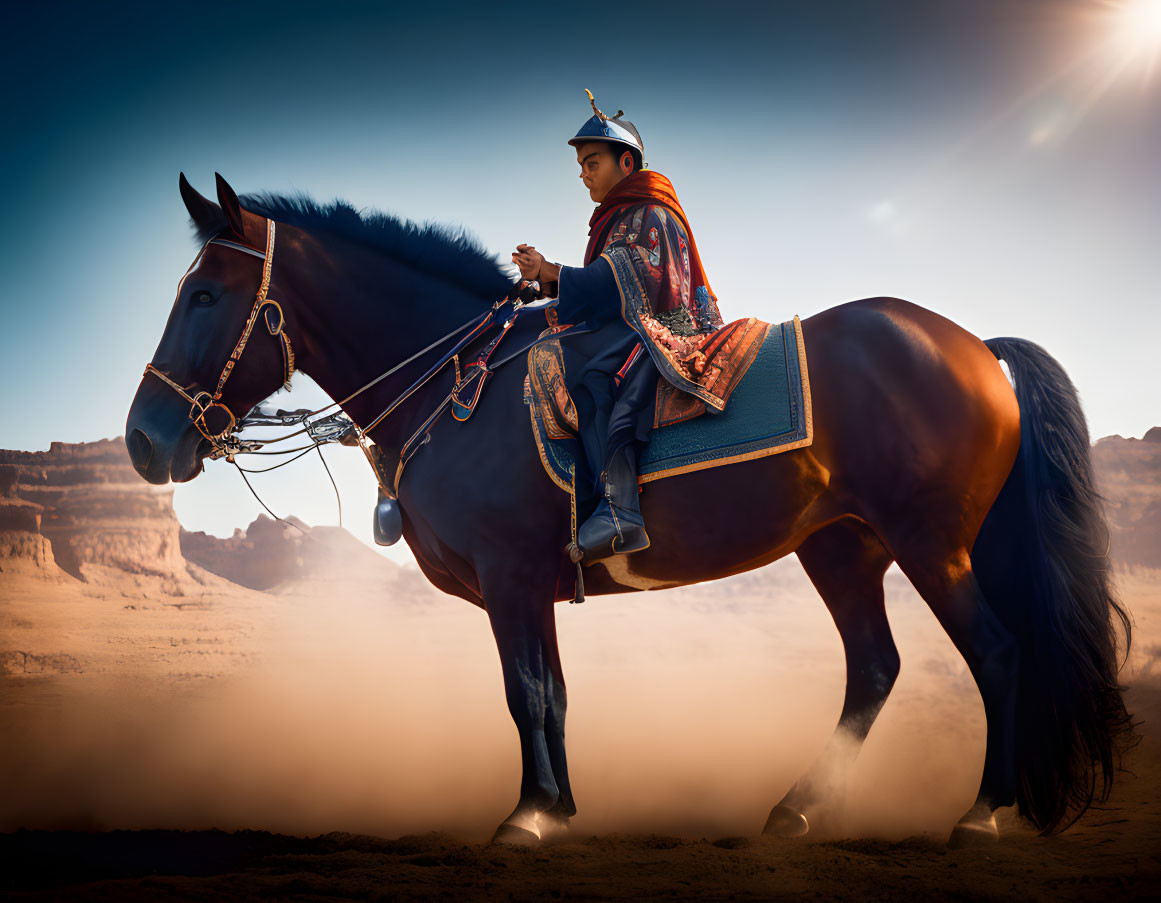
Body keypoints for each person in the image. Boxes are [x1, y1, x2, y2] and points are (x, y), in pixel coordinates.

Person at [512, 90, 724, 563]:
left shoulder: (650, 208)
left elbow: (626, 275)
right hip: (636, 322)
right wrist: (544, 284)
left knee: (589, 367)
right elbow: (605, 284)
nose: (582, 172)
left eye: (592, 161)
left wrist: (550, 270)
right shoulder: (623, 213)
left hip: (667, 327)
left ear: (626, 163)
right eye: (581, 164)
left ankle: (619, 506)